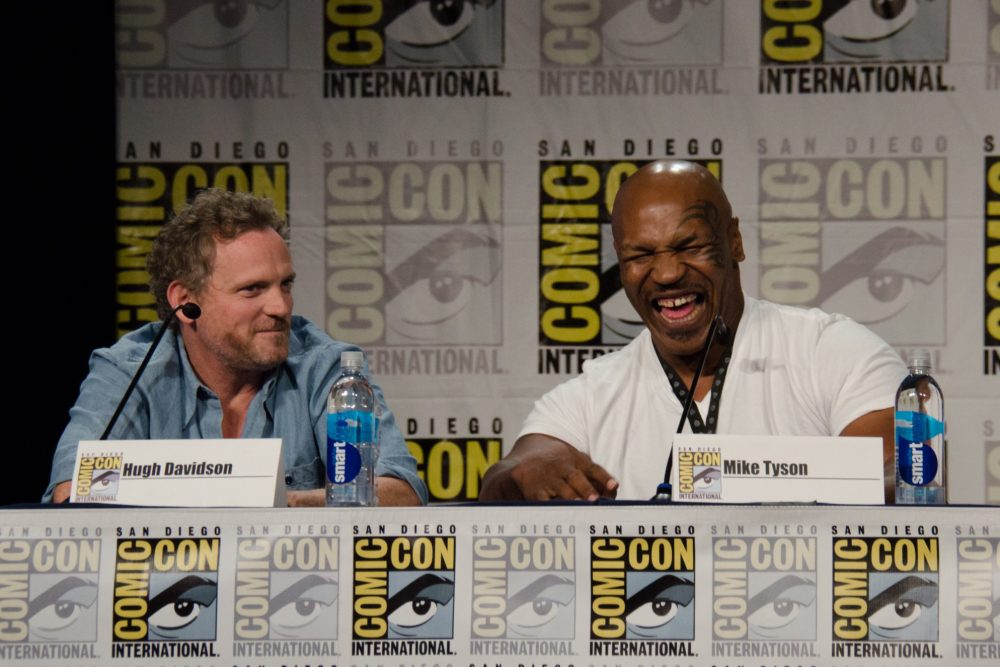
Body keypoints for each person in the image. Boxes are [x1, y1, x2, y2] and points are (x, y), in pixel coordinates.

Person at [480, 160, 905, 502]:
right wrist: (529, 471)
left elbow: (901, 476)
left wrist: (743, 481)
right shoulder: (591, 395)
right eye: (640, 255)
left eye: (690, 247)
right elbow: (504, 478)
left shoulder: (834, 351)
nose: (666, 273)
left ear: (734, 241)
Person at [45, 188, 426, 506]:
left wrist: (280, 504)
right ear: (186, 301)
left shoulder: (327, 369)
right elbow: (69, 496)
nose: (280, 307)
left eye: (285, 285)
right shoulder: (128, 372)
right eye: (253, 289)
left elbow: (402, 492)